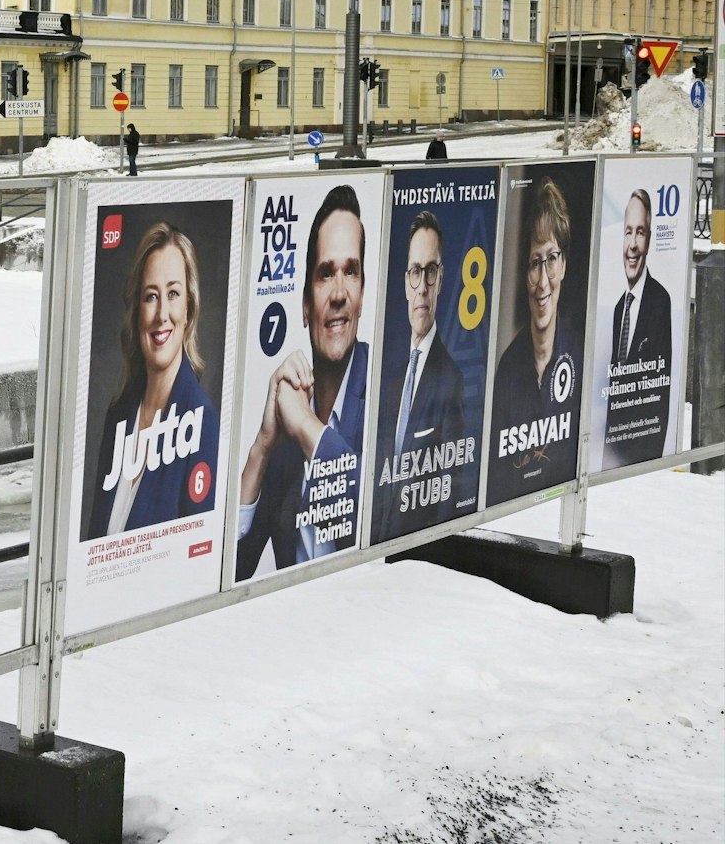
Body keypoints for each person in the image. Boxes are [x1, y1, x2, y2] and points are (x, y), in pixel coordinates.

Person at [236, 186, 370, 578]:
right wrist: (263, 446)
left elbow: (374, 511)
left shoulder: (388, 391)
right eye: (326, 274)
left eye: (351, 272)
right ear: (305, 306)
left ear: (363, 295)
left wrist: (308, 428)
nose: (340, 294)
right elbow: (231, 569)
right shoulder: (287, 423)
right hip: (299, 627)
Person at [84, 220, 221, 542]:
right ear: (136, 312)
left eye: (173, 293)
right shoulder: (119, 415)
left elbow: (197, 547)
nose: (161, 314)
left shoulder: (200, 419)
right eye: (150, 296)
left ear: (189, 309)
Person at [374, 212, 469, 542]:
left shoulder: (450, 379)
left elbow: (451, 483)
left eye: (431, 272)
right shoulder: (391, 379)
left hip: (419, 552)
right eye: (416, 272)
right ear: (405, 283)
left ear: (441, 279)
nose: (423, 287)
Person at [490, 179, 582, 500]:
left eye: (552, 259)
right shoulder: (507, 369)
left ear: (565, 264)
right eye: (534, 263)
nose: (543, 281)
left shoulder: (579, 355)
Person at [603, 190, 674, 465]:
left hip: (642, 456)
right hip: (615, 455)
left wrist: (649, 462)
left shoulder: (660, 301)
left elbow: (661, 390)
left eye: (640, 232)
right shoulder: (620, 307)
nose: (632, 244)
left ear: (650, 239)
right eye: (628, 232)